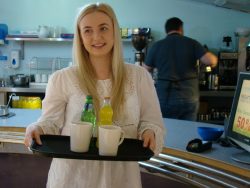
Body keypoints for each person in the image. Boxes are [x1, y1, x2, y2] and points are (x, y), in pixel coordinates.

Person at [24, 3, 165, 188]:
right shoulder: (62, 78)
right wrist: (37, 128)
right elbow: (51, 122)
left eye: (103, 28)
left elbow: (152, 122)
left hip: (121, 179)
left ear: (115, 31)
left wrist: (149, 132)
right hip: (72, 178)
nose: (96, 37)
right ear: (80, 37)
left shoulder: (139, 77)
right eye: (88, 30)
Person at [143, 17, 218, 121]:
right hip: (188, 96)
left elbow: (145, 71)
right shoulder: (192, 43)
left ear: (166, 30)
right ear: (181, 28)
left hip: (165, 96)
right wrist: (214, 60)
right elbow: (211, 61)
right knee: (188, 131)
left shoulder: (157, 46)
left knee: (167, 130)